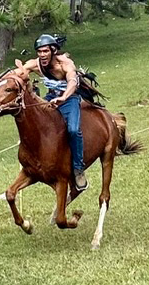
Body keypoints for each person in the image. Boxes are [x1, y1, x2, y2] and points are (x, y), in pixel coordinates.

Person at [13, 34, 90, 190]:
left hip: (69, 99)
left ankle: (78, 168)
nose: (42, 55)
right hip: (50, 98)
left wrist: (64, 97)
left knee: (73, 130)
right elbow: (18, 73)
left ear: (53, 51)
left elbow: (73, 82)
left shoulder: (65, 64)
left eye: (45, 51)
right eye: (39, 52)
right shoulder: (36, 64)